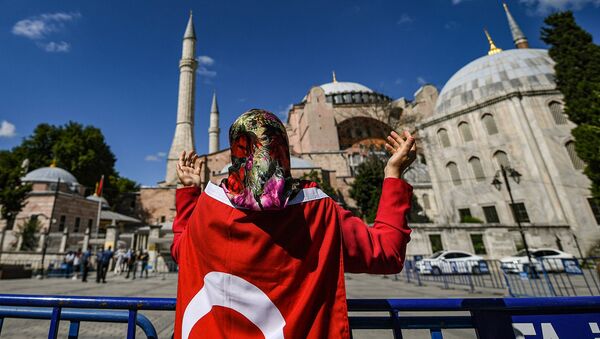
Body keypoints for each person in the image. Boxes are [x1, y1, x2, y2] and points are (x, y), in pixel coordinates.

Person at [171, 109, 416, 339]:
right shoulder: (317, 209)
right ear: (283, 151)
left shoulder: (208, 209)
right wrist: (393, 174)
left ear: (237, 152)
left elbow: (182, 251)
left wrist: (189, 191)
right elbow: (387, 252)